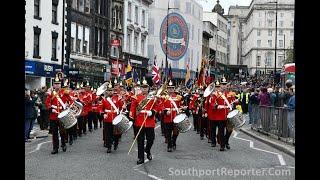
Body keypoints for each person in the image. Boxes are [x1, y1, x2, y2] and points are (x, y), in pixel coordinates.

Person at [129, 79, 162, 164]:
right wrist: (131, 118)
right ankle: (140, 158)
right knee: (140, 140)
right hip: (139, 121)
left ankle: (147, 150)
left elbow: (157, 106)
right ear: (140, 88)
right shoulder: (136, 97)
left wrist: (153, 112)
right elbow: (133, 108)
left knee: (151, 139)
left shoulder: (153, 97)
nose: (144, 89)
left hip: (149, 121)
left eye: (146, 87)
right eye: (143, 87)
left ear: (148, 88)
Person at [45, 78, 72, 154]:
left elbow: (70, 100)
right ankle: (55, 148)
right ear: (53, 85)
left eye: (58, 84)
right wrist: (51, 108)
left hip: (62, 115)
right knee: (54, 133)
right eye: (56, 84)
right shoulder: (51, 93)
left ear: (60, 85)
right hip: (53, 116)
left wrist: (67, 105)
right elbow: (47, 103)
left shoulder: (64, 92)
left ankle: (63, 144)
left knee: (62, 132)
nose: (57, 85)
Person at [204, 80, 230, 151]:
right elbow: (212, 103)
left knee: (223, 131)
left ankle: (224, 143)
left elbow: (230, 102)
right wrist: (215, 106)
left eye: (225, 84)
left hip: (224, 116)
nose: (224, 86)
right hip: (216, 116)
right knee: (214, 130)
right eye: (222, 84)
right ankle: (217, 143)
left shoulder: (228, 94)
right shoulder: (215, 94)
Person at [101, 82, 124, 153]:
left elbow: (121, 107)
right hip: (107, 118)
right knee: (108, 133)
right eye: (108, 90)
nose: (110, 92)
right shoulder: (104, 99)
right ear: (106, 91)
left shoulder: (117, 98)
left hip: (115, 118)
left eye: (111, 90)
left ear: (113, 91)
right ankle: (109, 147)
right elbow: (101, 108)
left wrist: (123, 108)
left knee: (116, 133)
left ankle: (116, 143)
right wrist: (103, 114)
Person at [162, 80, 183, 152]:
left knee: (176, 132)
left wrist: (181, 109)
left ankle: (174, 141)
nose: (170, 89)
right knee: (168, 133)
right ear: (167, 89)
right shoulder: (164, 97)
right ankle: (169, 146)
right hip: (167, 118)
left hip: (175, 117)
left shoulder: (178, 97)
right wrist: (165, 111)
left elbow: (180, 106)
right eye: (169, 88)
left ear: (174, 89)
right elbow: (161, 106)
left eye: (172, 88)